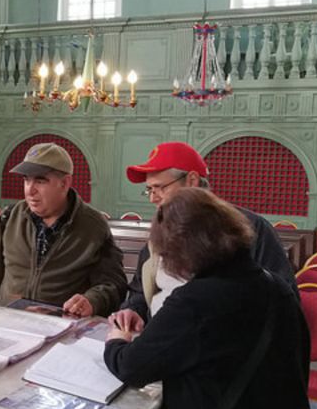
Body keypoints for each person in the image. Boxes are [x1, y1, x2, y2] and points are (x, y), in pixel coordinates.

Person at [104, 188, 317, 409]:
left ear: (180, 253)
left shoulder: (195, 301)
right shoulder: (277, 289)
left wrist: (116, 338)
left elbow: (131, 366)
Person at [110, 141, 295, 330]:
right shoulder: (161, 231)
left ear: (192, 180)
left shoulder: (248, 228)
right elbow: (140, 290)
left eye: (160, 188)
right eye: (149, 189)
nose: (153, 198)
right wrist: (133, 310)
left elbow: (282, 302)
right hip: (162, 344)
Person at [0, 142, 126, 318]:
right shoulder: (8, 218)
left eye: (40, 180)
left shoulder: (93, 225)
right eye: (26, 179)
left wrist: (92, 300)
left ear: (64, 183)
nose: (30, 190)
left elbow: (113, 284)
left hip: (62, 330)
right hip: (9, 324)